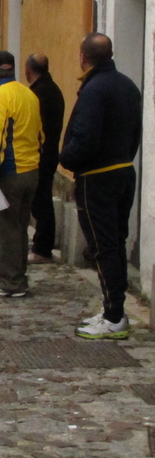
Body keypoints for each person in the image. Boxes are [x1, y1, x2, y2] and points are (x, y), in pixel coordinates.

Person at [61, 34, 142, 340]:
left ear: (83, 57)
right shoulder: (127, 85)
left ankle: (114, 315)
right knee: (115, 243)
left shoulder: (95, 89)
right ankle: (114, 309)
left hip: (98, 177)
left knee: (102, 245)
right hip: (123, 171)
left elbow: (85, 137)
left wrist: (66, 158)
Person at [0, 51, 43, 298]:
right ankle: (18, 278)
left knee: (4, 228)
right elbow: (40, 133)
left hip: (8, 173)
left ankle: (8, 282)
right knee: (20, 226)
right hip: (31, 170)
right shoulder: (29, 94)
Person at [25, 54, 65, 264]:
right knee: (42, 200)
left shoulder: (39, 93)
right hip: (49, 151)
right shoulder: (53, 89)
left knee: (41, 202)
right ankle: (42, 243)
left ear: (28, 70)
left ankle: (43, 247)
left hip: (41, 154)